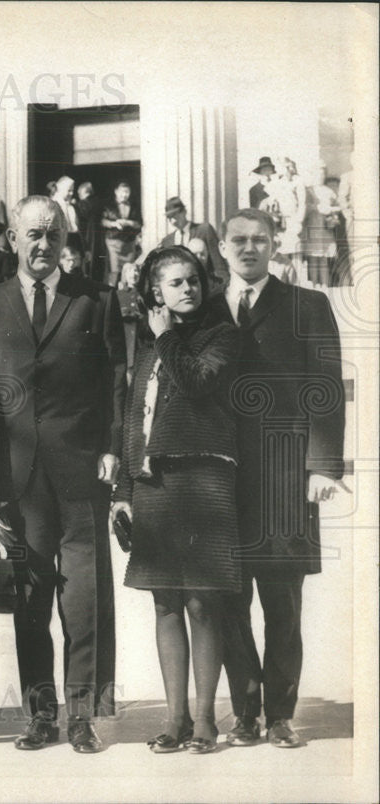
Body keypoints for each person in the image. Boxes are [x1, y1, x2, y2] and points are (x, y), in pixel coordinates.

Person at [0, 196, 126, 753]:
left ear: (66, 240)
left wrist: (111, 448)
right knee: (30, 599)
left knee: (83, 596)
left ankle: (83, 714)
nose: (43, 244)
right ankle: (40, 714)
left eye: (53, 234)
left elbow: (115, 385)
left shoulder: (97, 300)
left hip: (81, 473)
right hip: (17, 474)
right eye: (32, 233)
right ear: (11, 238)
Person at [208, 208, 347, 749]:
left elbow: (325, 389)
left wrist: (321, 466)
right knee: (229, 600)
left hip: (287, 480)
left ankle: (281, 714)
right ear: (222, 247)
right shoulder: (203, 311)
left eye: (259, 240)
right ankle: (244, 713)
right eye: (238, 240)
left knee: (283, 605)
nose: (248, 249)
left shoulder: (305, 306)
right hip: (221, 482)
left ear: (275, 245)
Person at [111, 246, 241, 755]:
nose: (187, 289)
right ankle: (175, 718)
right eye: (175, 283)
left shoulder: (222, 338)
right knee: (165, 601)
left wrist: (165, 334)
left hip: (204, 480)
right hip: (154, 485)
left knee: (201, 601)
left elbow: (197, 381)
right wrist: (123, 492)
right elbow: (132, 423)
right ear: (154, 293)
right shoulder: (146, 350)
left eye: (193, 280)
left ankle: (206, 720)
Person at [160, 196, 228, 289]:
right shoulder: (167, 241)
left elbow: (219, 265)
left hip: (207, 289)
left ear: (184, 212)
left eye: (175, 215)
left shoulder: (204, 230)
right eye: (169, 217)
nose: (173, 221)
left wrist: (224, 289)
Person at [303, 162, 342, 288]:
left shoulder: (329, 191)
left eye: (322, 174)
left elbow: (338, 206)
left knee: (324, 258)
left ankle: (325, 285)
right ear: (313, 175)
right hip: (312, 225)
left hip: (325, 227)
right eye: (317, 174)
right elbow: (304, 206)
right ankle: (314, 285)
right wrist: (316, 208)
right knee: (313, 258)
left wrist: (330, 210)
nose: (320, 177)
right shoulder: (308, 190)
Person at [101, 183, 142, 286]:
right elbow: (102, 221)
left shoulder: (134, 206)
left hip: (129, 243)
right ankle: (112, 292)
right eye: (122, 191)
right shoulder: (109, 205)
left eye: (127, 192)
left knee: (129, 269)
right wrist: (114, 223)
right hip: (114, 243)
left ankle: (126, 294)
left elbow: (139, 224)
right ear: (116, 191)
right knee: (114, 271)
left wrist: (128, 222)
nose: (124, 195)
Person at [75, 182, 104, 281]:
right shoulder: (99, 203)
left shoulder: (81, 205)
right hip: (100, 239)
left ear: (85, 192)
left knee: (87, 264)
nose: (78, 196)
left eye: (79, 193)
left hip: (87, 237)